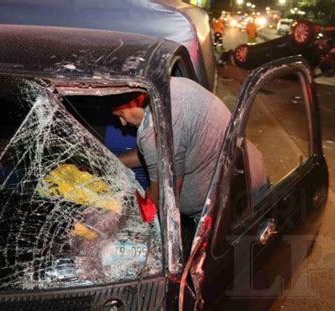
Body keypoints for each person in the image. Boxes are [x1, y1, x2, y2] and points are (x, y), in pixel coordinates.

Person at [112, 77, 268, 222]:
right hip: (250, 172)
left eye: (121, 114)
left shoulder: (155, 130)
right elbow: (157, 156)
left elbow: (161, 200)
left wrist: (120, 217)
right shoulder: (170, 85)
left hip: (233, 209)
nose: (123, 123)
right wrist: (113, 161)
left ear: (137, 100)